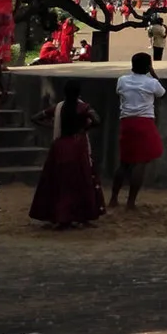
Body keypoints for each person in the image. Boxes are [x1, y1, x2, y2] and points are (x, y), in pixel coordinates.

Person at [30, 82, 105, 228]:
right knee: (81, 180)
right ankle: (82, 215)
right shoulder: (83, 107)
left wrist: (51, 126)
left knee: (60, 181)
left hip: (60, 146)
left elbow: (36, 117)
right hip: (78, 146)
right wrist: (85, 128)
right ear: (79, 94)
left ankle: (61, 216)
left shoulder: (58, 108)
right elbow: (97, 120)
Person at [112, 52, 166, 209]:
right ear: (148, 67)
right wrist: (154, 74)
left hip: (126, 121)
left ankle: (114, 198)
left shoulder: (122, 80)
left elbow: (119, 92)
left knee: (124, 162)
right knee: (140, 162)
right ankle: (130, 201)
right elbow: (162, 93)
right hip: (144, 121)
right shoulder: (151, 83)